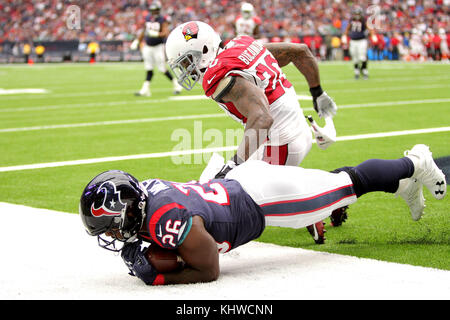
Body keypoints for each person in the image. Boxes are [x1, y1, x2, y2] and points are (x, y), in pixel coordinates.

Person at [80, 144, 446, 285]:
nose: (111, 236)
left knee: (348, 185)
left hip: (261, 200)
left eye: (111, 228)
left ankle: (414, 161)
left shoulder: (164, 219)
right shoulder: (145, 194)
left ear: (128, 212)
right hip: (240, 186)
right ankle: (402, 185)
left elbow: (208, 269)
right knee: (333, 185)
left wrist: (160, 278)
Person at [165, 21, 339, 243]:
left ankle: (316, 207)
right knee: (210, 181)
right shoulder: (242, 44)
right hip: (292, 134)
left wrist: (234, 164)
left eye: (188, 60)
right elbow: (299, 52)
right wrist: (317, 92)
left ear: (204, 50)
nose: (186, 68)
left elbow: (262, 118)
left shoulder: (216, 75)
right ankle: (324, 198)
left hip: (281, 144)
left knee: (232, 197)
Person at [130, 1, 182, 97]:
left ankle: (176, 84)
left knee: (162, 69)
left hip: (158, 47)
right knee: (148, 68)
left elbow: (165, 33)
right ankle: (145, 89)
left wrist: (156, 34)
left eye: (155, 10)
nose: (154, 12)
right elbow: (144, 30)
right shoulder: (148, 18)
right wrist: (137, 41)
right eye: (152, 10)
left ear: (158, 10)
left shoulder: (162, 19)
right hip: (148, 46)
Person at [344, 6, 375, 79]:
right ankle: (357, 72)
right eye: (355, 14)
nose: (357, 15)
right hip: (353, 40)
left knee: (362, 57)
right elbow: (347, 29)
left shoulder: (364, 20)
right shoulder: (351, 20)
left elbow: (369, 28)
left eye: (358, 14)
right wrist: (345, 36)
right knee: (355, 57)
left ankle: (364, 71)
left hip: (362, 40)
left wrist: (372, 35)